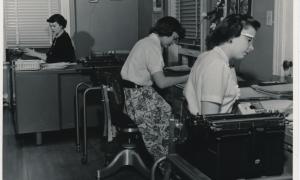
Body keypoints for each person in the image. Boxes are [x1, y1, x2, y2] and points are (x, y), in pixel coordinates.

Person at [120, 16, 189, 161]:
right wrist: (188, 77)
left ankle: (165, 159)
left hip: (132, 94)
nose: (172, 43)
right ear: (167, 32)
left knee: (167, 111)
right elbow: (162, 83)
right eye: (174, 38)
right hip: (138, 97)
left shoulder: (145, 42)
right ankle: (165, 164)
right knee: (171, 121)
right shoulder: (152, 47)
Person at [184, 14, 261, 115]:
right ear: (232, 35)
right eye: (249, 40)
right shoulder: (217, 65)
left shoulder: (207, 56)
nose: (252, 47)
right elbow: (210, 119)